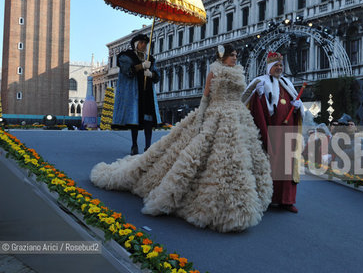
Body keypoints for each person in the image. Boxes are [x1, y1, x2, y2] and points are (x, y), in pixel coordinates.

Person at [90, 44, 273, 233]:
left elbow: (239, 96)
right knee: (209, 156)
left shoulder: (239, 72)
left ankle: (243, 199)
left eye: (236, 55)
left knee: (242, 157)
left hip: (238, 116)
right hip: (216, 114)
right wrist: (201, 118)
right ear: (222, 57)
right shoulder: (214, 71)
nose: (235, 58)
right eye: (232, 55)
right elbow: (206, 96)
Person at [242, 52, 304, 213]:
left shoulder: (287, 83)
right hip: (270, 130)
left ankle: (286, 200)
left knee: (287, 167)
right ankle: (268, 198)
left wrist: (298, 108)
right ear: (269, 67)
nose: (279, 68)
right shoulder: (260, 82)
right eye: (276, 65)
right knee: (270, 165)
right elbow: (250, 105)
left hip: (287, 133)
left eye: (281, 65)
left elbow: (295, 104)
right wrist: (259, 96)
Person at [112, 34, 161, 155]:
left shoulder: (150, 58)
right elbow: (127, 71)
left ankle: (148, 146)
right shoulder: (126, 56)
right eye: (141, 43)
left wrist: (151, 74)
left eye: (145, 43)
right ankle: (134, 145)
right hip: (134, 93)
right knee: (135, 119)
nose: (144, 45)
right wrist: (141, 66)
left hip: (147, 93)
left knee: (148, 119)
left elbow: (157, 76)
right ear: (135, 44)